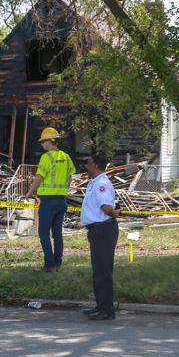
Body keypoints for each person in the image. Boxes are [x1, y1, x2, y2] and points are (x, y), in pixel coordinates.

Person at [23, 127, 75, 273]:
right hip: (61, 200)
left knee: (43, 233)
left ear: (50, 141)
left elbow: (39, 177)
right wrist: (63, 190)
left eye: (43, 141)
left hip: (48, 201)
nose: (41, 144)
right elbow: (70, 176)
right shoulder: (66, 157)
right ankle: (57, 264)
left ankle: (49, 265)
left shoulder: (46, 157)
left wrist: (29, 193)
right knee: (57, 233)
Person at [80, 154, 120, 321]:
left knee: (103, 272)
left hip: (103, 229)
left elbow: (105, 207)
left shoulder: (101, 184)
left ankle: (107, 310)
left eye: (88, 164)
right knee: (98, 271)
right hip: (97, 230)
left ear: (95, 165)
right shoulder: (94, 182)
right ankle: (100, 306)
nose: (86, 166)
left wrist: (116, 214)